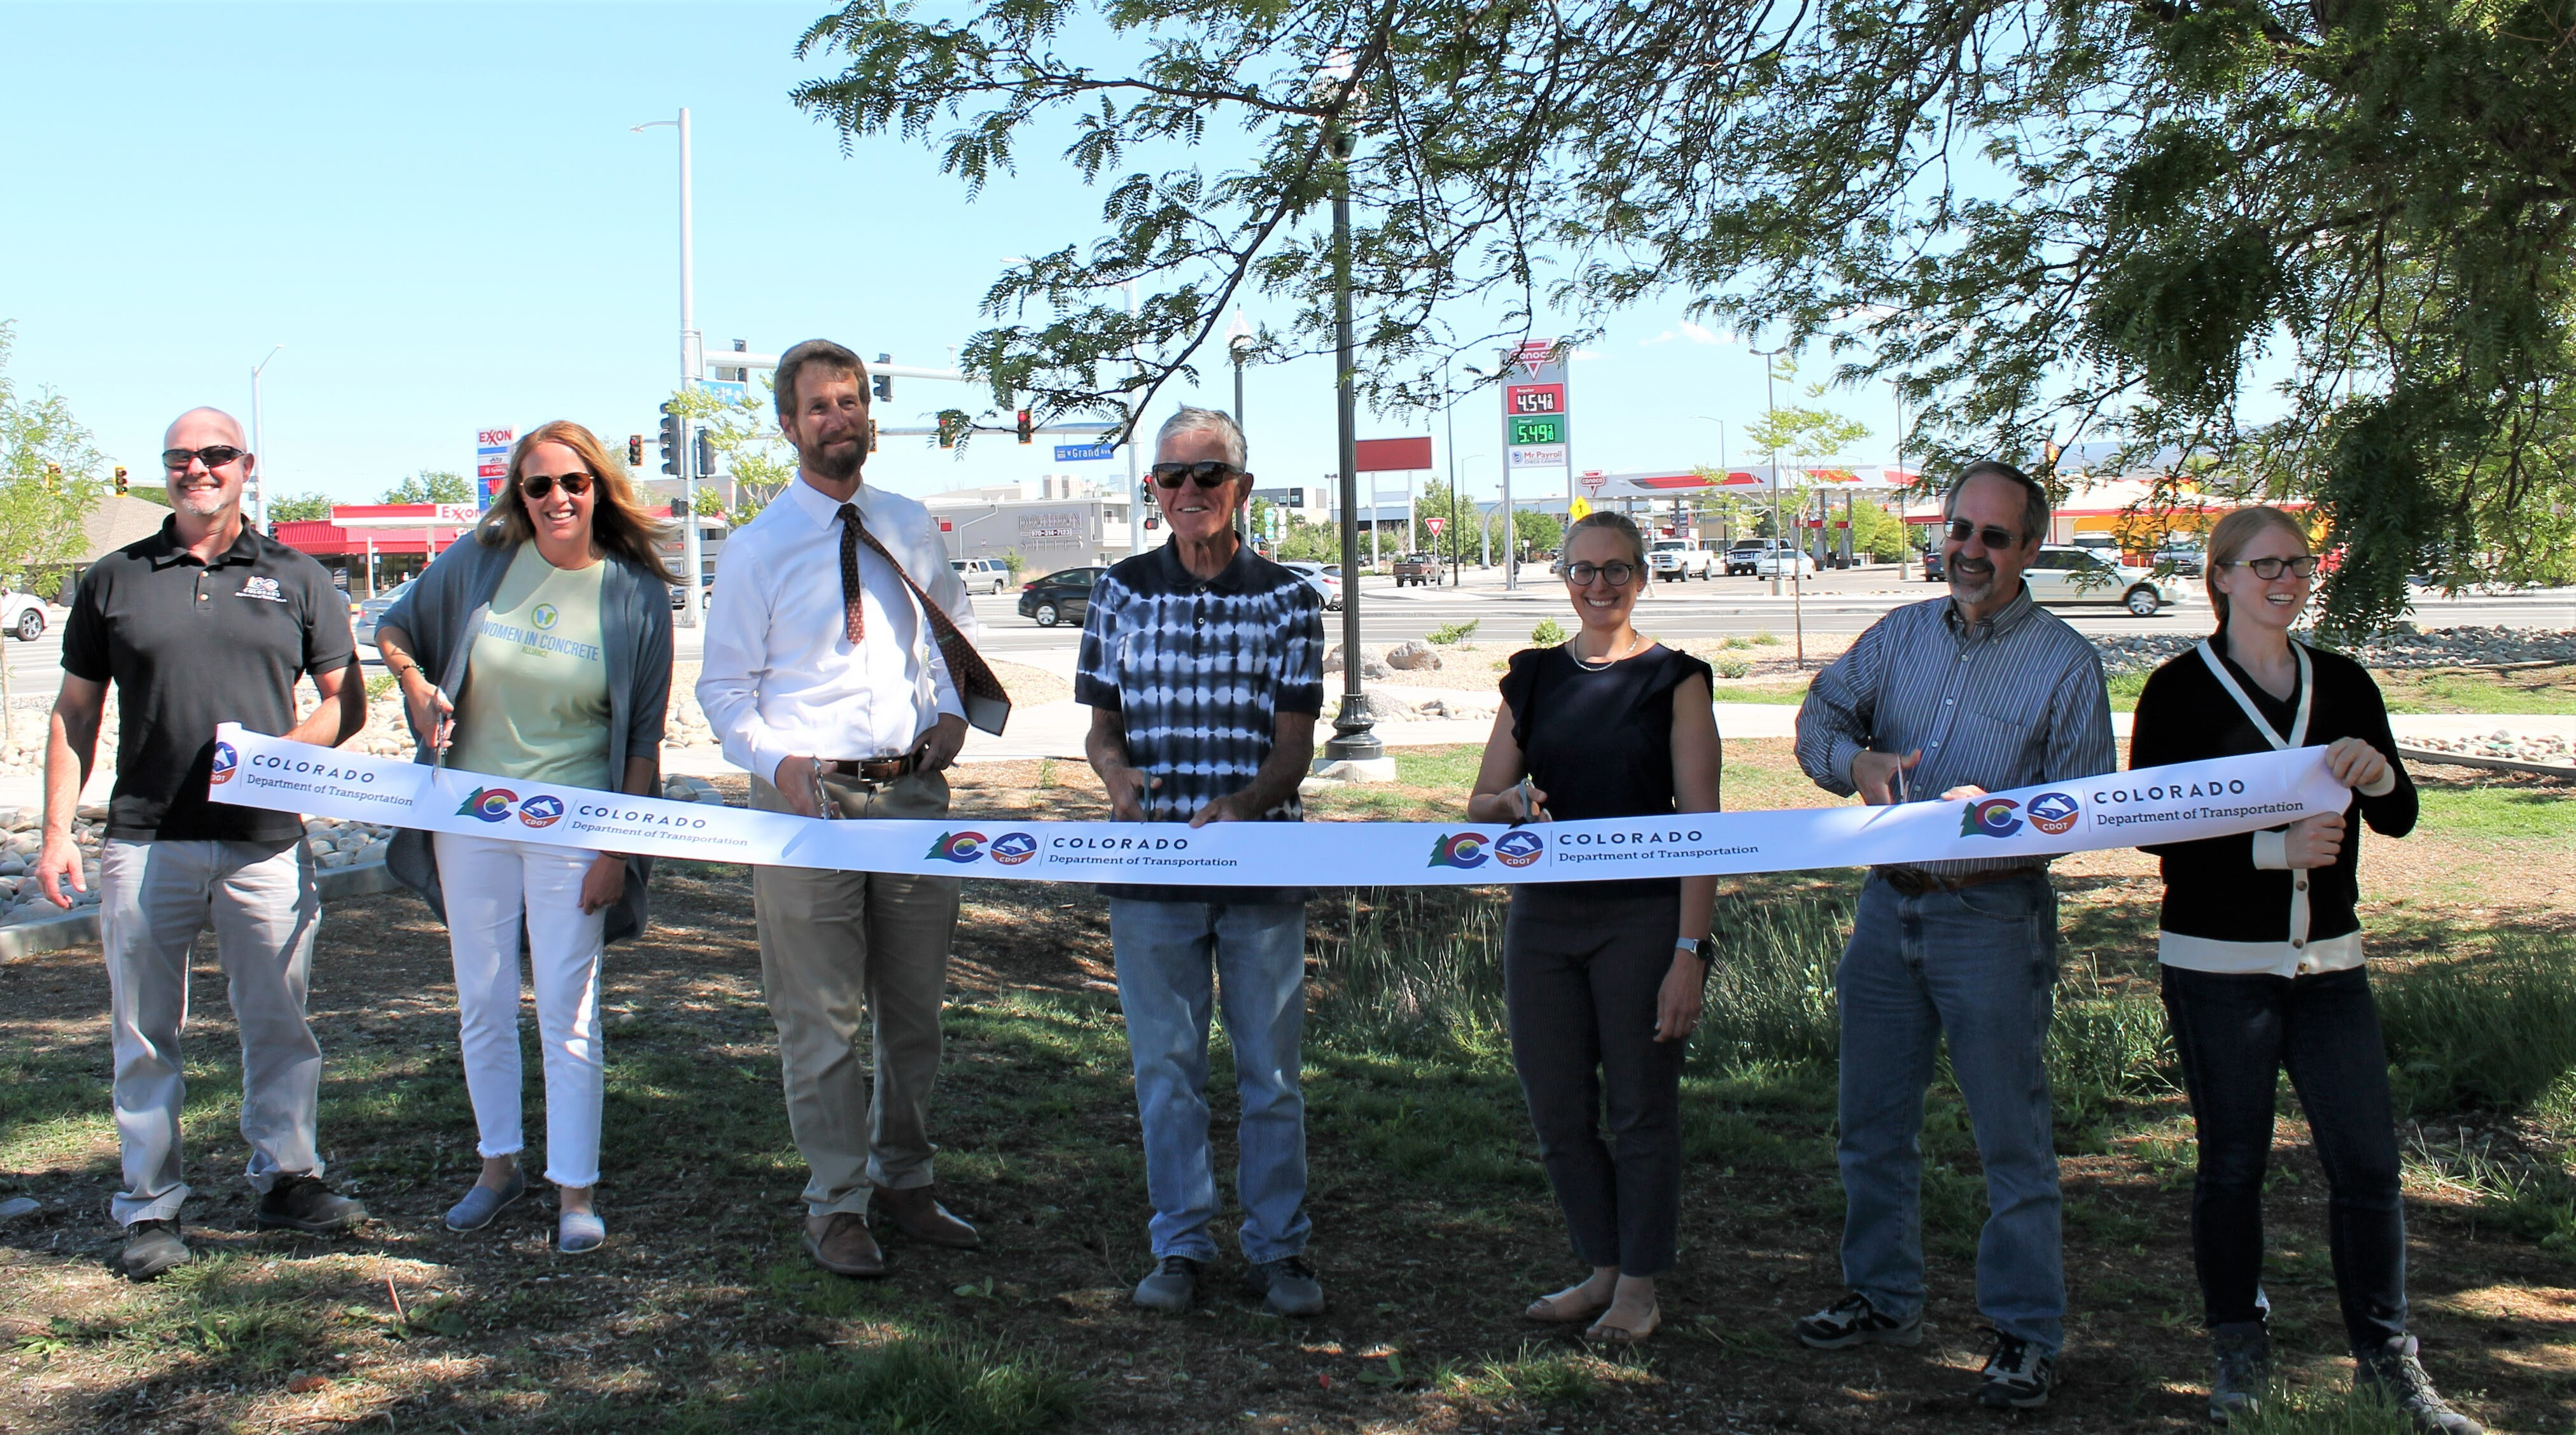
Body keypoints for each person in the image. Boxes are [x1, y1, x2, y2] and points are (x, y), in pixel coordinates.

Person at [2131, 508, 2475, 1433]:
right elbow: (2150, 828)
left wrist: (2379, 779)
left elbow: (2397, 817)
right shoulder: (2178, 691)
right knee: (2233, 1167)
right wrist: (2265, 853)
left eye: (2299, 564)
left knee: (2369, 1167)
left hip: (2331, 965)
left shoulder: (2345, 683)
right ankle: (2239, 1352)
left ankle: (2390, 1366)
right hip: (2216, 965)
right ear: (2222, 578)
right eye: (2265, 565)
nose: (2285, 579)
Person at [1789, 460, 2115, 1409]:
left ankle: (2025, 1333)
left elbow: (2088, 806)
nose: (1970, 551)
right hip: (1888, 910)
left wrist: (2006, 814)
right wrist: (1857, 761)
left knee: (2011, 1138)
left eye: (1995, 537)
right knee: (1871, 1125)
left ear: (2030, 548)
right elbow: (1820, 716)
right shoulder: (1897, 635)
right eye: (1960, 530)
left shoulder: (2064, 662)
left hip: (1992, 919)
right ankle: (1882, 1296)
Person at [39, 407, 370, 1280]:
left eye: (215, 454)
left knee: (279, 1023)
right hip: (148, 842)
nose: (198, 469)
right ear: (166, 471)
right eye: (181, 457)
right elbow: (76, 711)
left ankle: (289, 1180)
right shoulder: (116, 578)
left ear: (245, 466)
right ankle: (150, 1209)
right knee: (145, 1033)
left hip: (265, 844)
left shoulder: (300, 577)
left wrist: (273, 763)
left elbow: (347, 700)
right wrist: (54, 833)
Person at [699, 339, 993, 1278]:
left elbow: (952, 640)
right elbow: (722, 691)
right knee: (818, 1018)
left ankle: (906, 1180)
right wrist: (778, 766)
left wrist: (950, 717)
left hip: (911, 798)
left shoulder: (909, 525)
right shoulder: (756, 549)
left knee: (913, 1015)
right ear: (789, 426)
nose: (841, 418)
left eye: (854, 401)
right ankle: (836, 1203)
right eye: (820, 406)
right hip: (805, 805)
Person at [374, 420, 676, 1256]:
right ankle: (497, 1167)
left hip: (576, 827)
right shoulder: (480, 563)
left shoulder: (636, 591)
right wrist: (417, 687)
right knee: (483, 999)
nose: (556, 499)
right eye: (538, 486)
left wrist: (616, 849)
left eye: (572, 483)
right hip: (469, 821)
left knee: (570, 1012)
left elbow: (644, 741)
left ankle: (575, 1191)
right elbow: (392, 630)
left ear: (598, 489)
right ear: (519, 495)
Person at [1076, 407, 1327, 1317]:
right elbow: (1101, 728)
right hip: (1149, 872)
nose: (1189, 494)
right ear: (1153, 492)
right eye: (1170, 479)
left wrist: (1246, 807)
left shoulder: (1291, 600)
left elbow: (1295, 747)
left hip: (1259, 867)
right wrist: (1116, 776)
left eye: (1208, 475)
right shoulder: (1117, 592)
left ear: (1242, 489)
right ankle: (1179, 1244)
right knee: (1165, 1072)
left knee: (1270, 1077)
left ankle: (1279, 1251)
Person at [1465, 510, 1720, 1343]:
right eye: (1583, 570)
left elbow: (1702, 826)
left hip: (1643, 923)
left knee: (1641, 1110)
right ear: (1563, 578)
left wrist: (1690, 951)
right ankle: (1603, 1265)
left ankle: (1641, 1286)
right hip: (1544, 922)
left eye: (1616, 570)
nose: (1599, 586)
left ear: (1643, 576)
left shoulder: (1677, 681)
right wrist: (1506, 805)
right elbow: (1479, 802)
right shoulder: (1532, 678)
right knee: (1559, 1109)